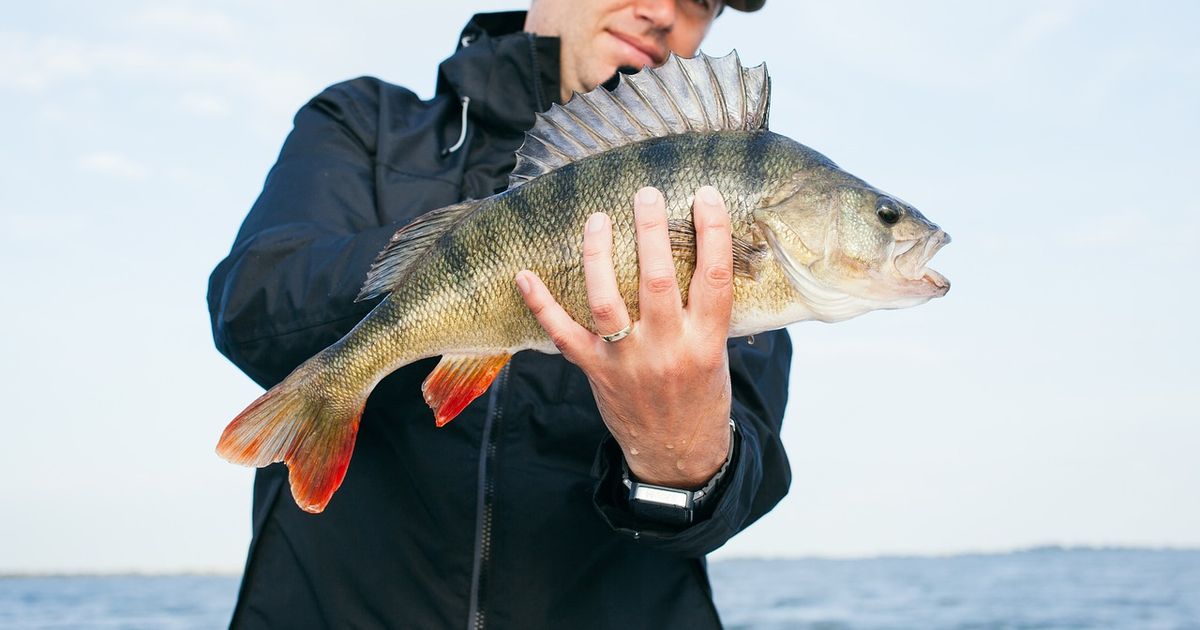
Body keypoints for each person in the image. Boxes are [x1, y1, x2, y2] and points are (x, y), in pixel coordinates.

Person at [207, 1, 791, 628]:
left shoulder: (719, 212)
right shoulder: (362, 121)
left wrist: (684, 464)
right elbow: (251, 305)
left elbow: (740, 481)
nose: (657, 11)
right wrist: (478, 257)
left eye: (700, 0)